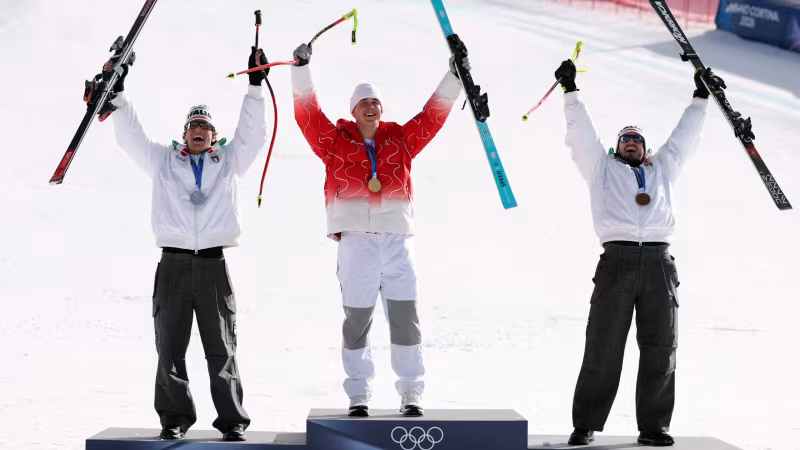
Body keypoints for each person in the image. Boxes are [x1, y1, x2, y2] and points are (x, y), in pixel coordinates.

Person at [290, 42, 468, 417]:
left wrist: (454, 75)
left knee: (405, 319)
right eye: (364, 103)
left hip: (397, 242)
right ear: (353, 111)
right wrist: (301, 69)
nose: (371, 107)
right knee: (357, 321)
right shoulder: (334, 142)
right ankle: (359, 395)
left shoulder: (400, 140)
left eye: (376, 103)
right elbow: (307, 115)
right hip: (356, 242)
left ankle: (411, 392)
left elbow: (431, 117)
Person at [104, 46, 269, 441]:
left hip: (212, 265)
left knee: (222, 348)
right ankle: (175, 419)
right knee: (170, 348)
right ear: (184, 134)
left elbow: (253, 136)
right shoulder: (164, 161)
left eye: (205, 125)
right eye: (193, 124)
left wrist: (255, 89)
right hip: (174, 264)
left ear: (213, 135)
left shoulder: (229, 162)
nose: (199, 129)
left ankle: (232, 422)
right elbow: (132, 139)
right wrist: (121, 97)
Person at [554, 59, 720, 446]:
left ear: (645, 150)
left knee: (661, 346)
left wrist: (700, 96)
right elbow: (582, 136)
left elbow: (684, 137)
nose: (631, 142)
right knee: (603, 343)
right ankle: (586, 424)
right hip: (617, 261)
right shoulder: (601, 169)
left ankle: (654, 426)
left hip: (660, 264)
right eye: (625, 139)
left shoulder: (663, 167)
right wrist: (571, 92)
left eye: (637, 140)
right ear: (617, 147)